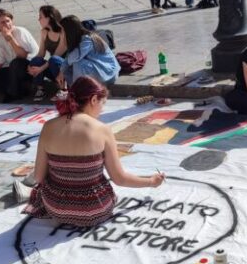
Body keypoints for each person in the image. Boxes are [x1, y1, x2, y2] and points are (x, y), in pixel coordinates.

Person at [21, 76, 165, 227]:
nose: (102, 110)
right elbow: (119, 179)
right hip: (95, 208)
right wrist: (151, 182)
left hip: (56, 208)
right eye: (103, 103)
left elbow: (38, 176)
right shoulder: (102, 129)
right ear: (94, 99)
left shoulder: (49, 126)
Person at [0, 8, 39, 103]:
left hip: (29, 67)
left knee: (16, 63)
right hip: (12, 69)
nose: (7, 24)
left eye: (8, 21)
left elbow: (22, 55)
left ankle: (14, 93)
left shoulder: (20, 32)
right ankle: (20, 88)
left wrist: (11, 39)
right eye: (2, 22)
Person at [56, 15, 120, 88]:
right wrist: (61, 72)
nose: (60, 33)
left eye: (61, 30)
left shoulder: (87, 39)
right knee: (64, 68)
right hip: (99, 72)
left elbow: (72, 58)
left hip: (108, 75)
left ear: (69, 31)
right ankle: (74, 90)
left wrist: (62, 40)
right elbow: (68, 60)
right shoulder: (77, 39)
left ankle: (79, 91)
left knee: (78, 63)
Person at [28, 5, 67, 101]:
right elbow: (41, 53)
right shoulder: (44, 32)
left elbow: (56, 56)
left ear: (49, 17)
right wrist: (31, 65)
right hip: (52, 66)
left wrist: (40, 69)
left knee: (54, 59)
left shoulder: (63, 31)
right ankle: (40, 89)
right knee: (36, 59)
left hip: (65, 68)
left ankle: (63, 89)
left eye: (41, 17)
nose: (39, 19)